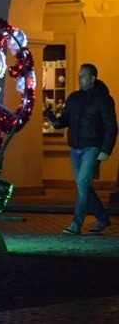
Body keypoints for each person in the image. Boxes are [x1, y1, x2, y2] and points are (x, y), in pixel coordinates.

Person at [44, 63, 118, 235]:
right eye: (79, 75)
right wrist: (52, 118)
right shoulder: (74, 98)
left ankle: (76, 224)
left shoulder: (103, 99)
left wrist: (106, 149)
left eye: (83, 76)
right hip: (75, 148)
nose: (80, 78)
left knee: (83, 184)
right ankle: (102, 218)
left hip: (91, 147)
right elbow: (65, 120)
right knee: (83, 186)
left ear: (93, 78)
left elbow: (111, 126)